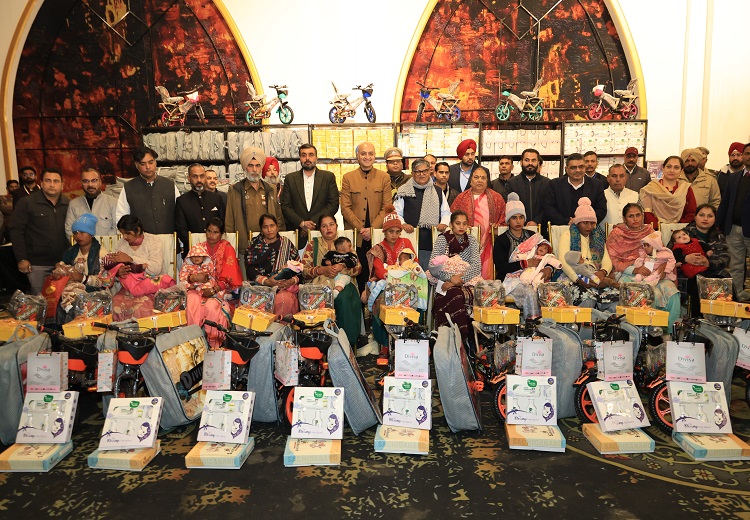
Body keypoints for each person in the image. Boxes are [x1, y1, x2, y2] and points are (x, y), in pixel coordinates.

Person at [606, 203, 680, 328]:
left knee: (672, 293)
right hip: (628, 274)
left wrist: (662, 267)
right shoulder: (616, 234)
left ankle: (667, 331)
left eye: (638, 215)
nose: (635, 219)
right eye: (631, 216)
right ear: (624, 219)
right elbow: (612, 260)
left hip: (654, 272)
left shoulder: (650, 231)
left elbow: (663, 252)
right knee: (647, 294)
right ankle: (644, 332)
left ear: (643, 216)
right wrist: (635, 269)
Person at [181, 218, 243, 347]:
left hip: (220, 291)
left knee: (211, 306)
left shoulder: (227, 249)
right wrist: (193, 278)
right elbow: (186, 271)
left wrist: (214, 290)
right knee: (191, 300)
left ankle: (215, 343)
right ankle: (193, 340)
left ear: (221, 234)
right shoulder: (198, 248)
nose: (211, 235)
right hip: (197, 288)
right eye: (209, 231)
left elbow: (231, 277)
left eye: (215, 232)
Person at [301, 214, 362, 345]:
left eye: (331, 224)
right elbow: (304, 271)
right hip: (319, 284)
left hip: (344, 283)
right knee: (319, 298)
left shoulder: (344, 243)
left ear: (336, 226)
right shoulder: (313, 244)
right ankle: (319, 343)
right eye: (324, 226)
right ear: (320, 229)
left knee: (342, 299)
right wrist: (321, 270)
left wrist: (342, 267)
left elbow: (358, 268)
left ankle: (346, 343)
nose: (328, 228)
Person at [494, 194, 555, 321]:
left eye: (521, 217)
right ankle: (533, 324)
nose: (518, 221)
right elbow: (500, 267)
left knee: (551, 291)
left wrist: (548, 268)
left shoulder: (533, 236)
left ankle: (550, 325)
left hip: (535, 276)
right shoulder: (502, 240)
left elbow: (548, 253)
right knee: (530, 292)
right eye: (514, 218)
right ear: (508, 220)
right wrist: (525, 264)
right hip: (511, 280)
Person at [340, 141, 391, 292]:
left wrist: (372, 229)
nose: (367, 157)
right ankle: (361, 305)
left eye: (370, 153)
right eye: (363, 154)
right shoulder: (348, 178)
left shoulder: (384, 177)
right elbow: (345, 208)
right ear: (357, 156)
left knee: (378, 272)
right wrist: (362, 229)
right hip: (357, 236)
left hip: (378, 234)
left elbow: (387, 207)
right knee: (359, 273)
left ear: (375, 156)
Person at [365, 209, 419, 353]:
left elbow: (415, 263)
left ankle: (409, 340)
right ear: (384, 232)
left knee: (415, 299)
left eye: (397, 232)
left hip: (407, 283)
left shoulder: (406, 243)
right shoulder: (378, 248)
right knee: (381, 302)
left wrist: (404, 275)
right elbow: (378, 270)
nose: (394, 235)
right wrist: (392, 276)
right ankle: (384, 344)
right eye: (391, 231)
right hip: (386, 283)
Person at [10, 168, 70, 295]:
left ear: (62, 185)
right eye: (48, 181)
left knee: (64, 300)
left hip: (63, 263)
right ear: (41, 183)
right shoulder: (27, 203)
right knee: (40, 301)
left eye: (56, 181)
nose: (52, 185)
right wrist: (22, 258)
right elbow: (16, 232)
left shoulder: (69, 204)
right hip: (37, 264)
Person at [557, 197, 619, 310]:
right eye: (585, 223)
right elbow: (563, 261)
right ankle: (589, 321)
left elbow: (607, 260)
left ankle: (604, 320)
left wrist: (602, 273)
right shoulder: (567, 235)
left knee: (616, 299)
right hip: (573, 276)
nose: (589, 227)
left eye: (592, 223)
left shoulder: (598, 237)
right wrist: (579, 280)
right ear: (578, 222)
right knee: (588, 299)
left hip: (596, 276)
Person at [108, 215, 175, 321]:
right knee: (115, 306)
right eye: (122, 233)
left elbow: (156, 268)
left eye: (127, 233)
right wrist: (118, 272)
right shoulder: (121, 244)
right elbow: (113, 270)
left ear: (138, 230)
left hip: (152, 286)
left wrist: (131, 259)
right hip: (129, 288)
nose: (124, 237)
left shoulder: (153, 241)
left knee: (140, 309)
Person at [428, 210, 480, 341]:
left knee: (481, 295)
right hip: (444, 281)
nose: (461, 227)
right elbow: (433, 266)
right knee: (455, 294)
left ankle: (473, 340)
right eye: (458, 223)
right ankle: (459, 337)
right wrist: (451, 277)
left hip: (468, 280)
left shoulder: (471, 240)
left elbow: (476, 266)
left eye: (464, 223)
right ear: (451, 225)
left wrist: (458, 280)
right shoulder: (442, 239)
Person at [226, 146, 285, 260]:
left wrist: (280, 240)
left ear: (261, 167)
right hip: (245, 247)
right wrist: (231, 247)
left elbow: (278, 218)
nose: (254, 170)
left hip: (269, 245)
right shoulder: (235, 190)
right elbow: (229, 221)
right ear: (245, 168)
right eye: (250, 166)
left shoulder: (271, 189)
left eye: (258, 166)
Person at [672, 204, 731, 316]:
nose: (705, 219)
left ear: (715, 219)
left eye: (710, 216)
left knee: (726, 282)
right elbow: (668, 253)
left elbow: (725, 258)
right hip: (688, 273)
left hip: (712, 270)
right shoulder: (683, 233)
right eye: (702, 215)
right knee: (699, 283)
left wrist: (709, 263)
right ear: (695, 217)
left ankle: (723, 318)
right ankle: (698, 317)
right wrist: (685, 258)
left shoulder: (719, 236)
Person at [393, 159, 450, 271]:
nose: (422, 174)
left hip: (432, 241)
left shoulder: (438, 191)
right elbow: (396, 212)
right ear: (412, 173)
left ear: (429, 172)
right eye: (418, 171)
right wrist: (403, 224)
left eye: (425, 171)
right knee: (410, 273)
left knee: (431, 273)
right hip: (409, 239)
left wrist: (444, 223)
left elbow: (446, 212)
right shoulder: (404, 190)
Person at [450, 166, 506, 278]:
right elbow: (452, 219)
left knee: (487, 277)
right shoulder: (461, 198)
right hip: (465, 245)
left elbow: (504, 221)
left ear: (487, 181)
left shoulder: (497, 198)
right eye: (476, 177)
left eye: (483, 178)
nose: (480, 180)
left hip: (489, 244)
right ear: (470, 180)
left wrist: (498, 228)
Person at [280, 144, 339, 249]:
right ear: (300, 158)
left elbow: (333, 204)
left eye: (311, 155)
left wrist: (312, 223)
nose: (307, 158)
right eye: (304, 155)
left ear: (316, 158)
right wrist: (301, 223)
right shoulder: (290, 179)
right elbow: (285, 206)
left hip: (321, 233)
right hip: (297, 234)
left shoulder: (328, 177)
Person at [55, 213, 112, 323]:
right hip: (72, 292)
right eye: (75, 233)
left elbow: (107, 282)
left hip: (95, 293)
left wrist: (83, 278)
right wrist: (59, 271)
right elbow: (63, 268)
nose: (78, 236)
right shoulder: (70, 252)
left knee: (75, 299)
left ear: (91, 234)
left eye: (82, 232)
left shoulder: (102, 253)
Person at [245, 213, 301, 317]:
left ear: (277, 227)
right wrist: (266, 281)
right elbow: (250, 269)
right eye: (265, 227)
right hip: (260, 286)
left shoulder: (286, 244)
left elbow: (299, 269)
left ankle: (281, 328)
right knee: (253, 302)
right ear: (261, 229)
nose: (269, 230)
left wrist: (291, 281)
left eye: (272, 226)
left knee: (283, 301)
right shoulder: (255, 245)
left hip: (284, 287)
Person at [116, 147, 180, 234]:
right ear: (136, 165)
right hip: (142, 240)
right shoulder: (129, 188)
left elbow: (180, 214)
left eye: (151, 162)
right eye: (143, 164)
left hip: (168, 238)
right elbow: (121, 217)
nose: (148, 167)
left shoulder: (169, 185)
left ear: (155, 162)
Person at [716, 142, 750, 301]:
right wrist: (719, 224)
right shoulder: (735, 177)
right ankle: (737, 295)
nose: (749, 156)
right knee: (735, 265)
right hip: (734, 229)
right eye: (747, 153)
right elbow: (725, 202)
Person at [175, 163, 225, 258]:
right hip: (192, 253)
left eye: (202, 176)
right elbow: (181, 229)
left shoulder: (216, 198)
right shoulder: (182, 201)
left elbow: (223, 223)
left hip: (215, 250)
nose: (199, 180)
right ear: (189, 178)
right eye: (195, 176)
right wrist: (197, 245)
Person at [544, 153, 607, 226]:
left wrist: (583, 221)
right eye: (573, 167)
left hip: (588, 228)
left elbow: (601, 209)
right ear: (566, 169)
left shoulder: (596, 185)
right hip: (562, 227)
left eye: (581, 167)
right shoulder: (555, 184)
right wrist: (567, 221)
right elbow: (549, 208)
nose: (578, 170)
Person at [640, 156, 696, 227]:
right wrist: (659, 227)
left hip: (681, 229)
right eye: (669, 167)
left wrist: (677, 227)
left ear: (681, 171)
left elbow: (691, 212)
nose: (672, 170)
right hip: (656, 229)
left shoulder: (685, 188)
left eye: (676, 168)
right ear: (663, 168)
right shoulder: (651, 188)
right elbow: (647, 213)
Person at [64, 167, 118, 239]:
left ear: (100, 182)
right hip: (80, 246)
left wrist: (102, 244)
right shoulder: (73, 204)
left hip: (107, 246)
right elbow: (69, 231)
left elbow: (117, 230)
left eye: (94, 180)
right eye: (86, 181)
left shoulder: (113, 203)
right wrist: (83, 244)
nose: (90, 185)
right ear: (81, 183)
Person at [504, 148, 549, 228]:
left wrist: (536, 221)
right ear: (521, 162)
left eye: (533, 160)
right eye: (527, 160)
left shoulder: (547, 183)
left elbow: (549, 207)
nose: (530, 163)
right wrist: (522, 221)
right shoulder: (511, 183)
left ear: (538, 163)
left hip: (542, 228)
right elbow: (508, 207)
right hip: (518, 229)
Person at [601, 164, 639, 228]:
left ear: (626, 178)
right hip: (606, 233)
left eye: (621, 176)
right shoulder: (600, 195)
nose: (618, 179)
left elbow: (640, 220)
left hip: (631, 234)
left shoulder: (635, 195)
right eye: (614, 176)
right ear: (608, 178)